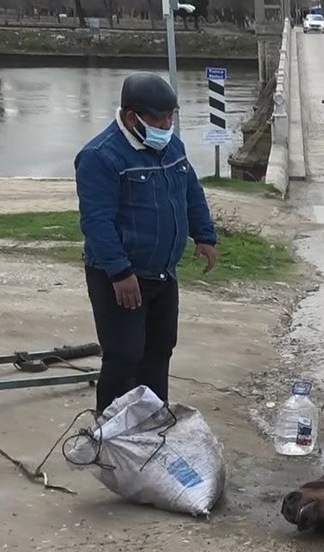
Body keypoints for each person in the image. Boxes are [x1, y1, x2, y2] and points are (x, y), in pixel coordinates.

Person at [74, 72, 218, 415]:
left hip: (163, 274)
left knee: (159, 351)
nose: (166, 124)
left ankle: (152, 423)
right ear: (130, 116)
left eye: (170, 116)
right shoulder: (100, 156)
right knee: (124, 356)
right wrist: (120, 272)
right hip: (123, 278)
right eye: (158, 117)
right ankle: (109, 433)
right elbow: (96, 221)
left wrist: (204, 234)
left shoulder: (172, 146)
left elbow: (191, 192)